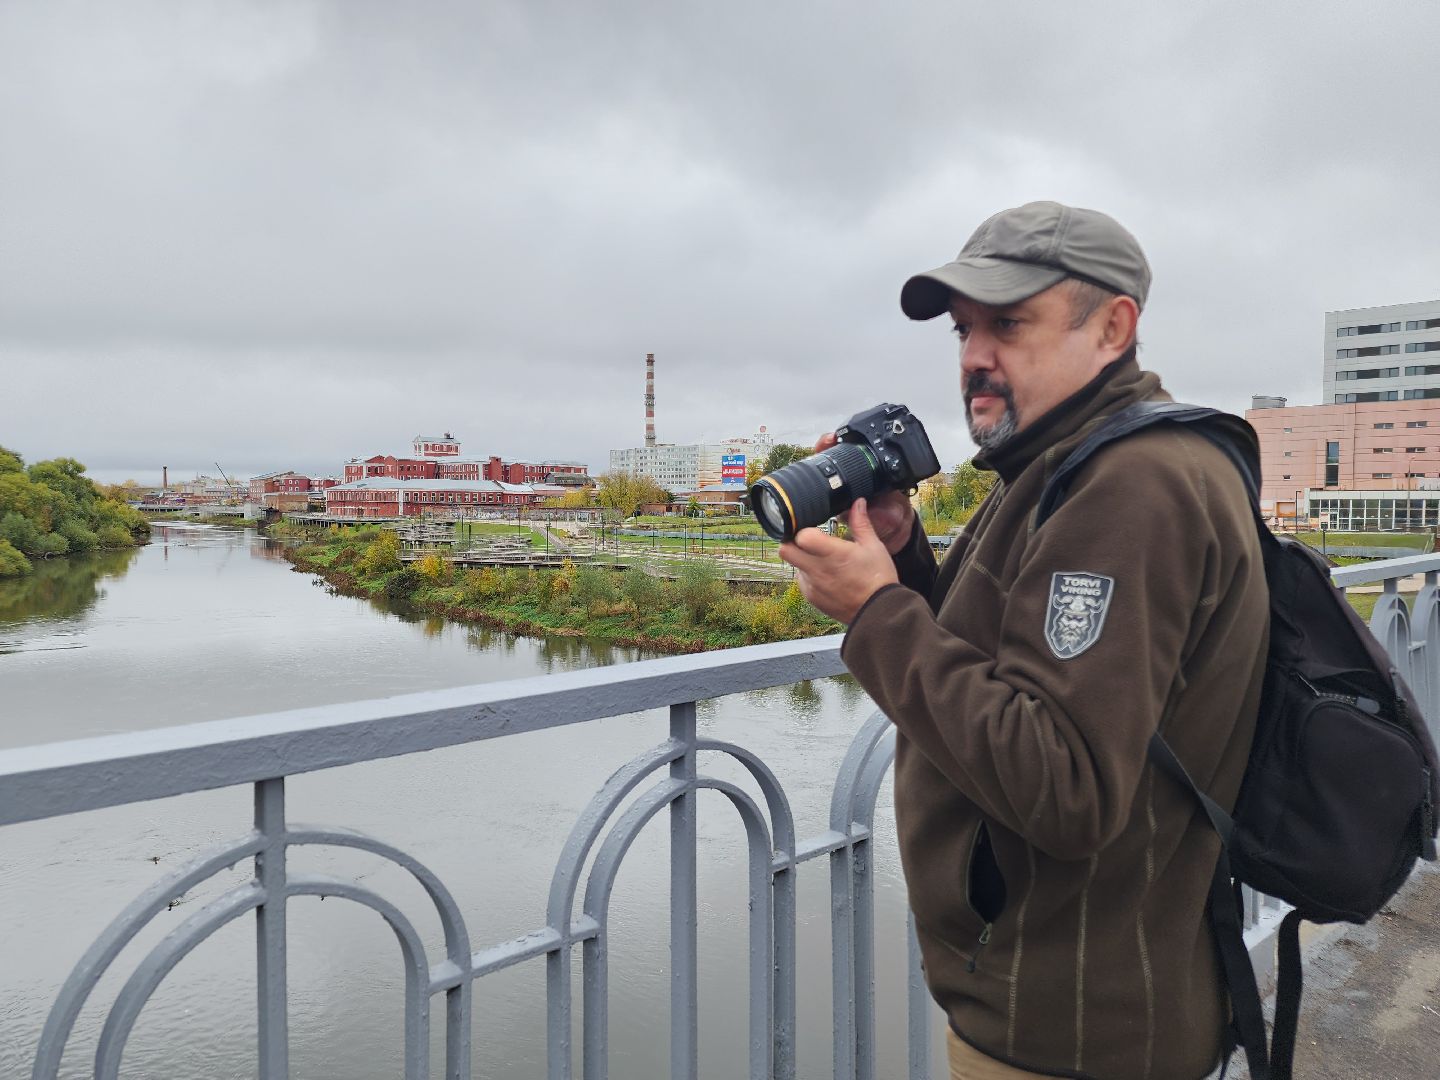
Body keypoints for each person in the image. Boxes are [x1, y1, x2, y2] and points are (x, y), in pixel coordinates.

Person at [779, 201, 1268, 1080]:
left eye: (1008, 323)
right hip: (1071, 997)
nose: (974, 354)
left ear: (1113, 327)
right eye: (964, 329)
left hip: (1075, 1031)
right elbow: (1005, 663)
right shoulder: (1067, 461)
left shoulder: (1132, 486)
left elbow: (1065, 785)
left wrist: (876, 615)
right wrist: (903, 557)